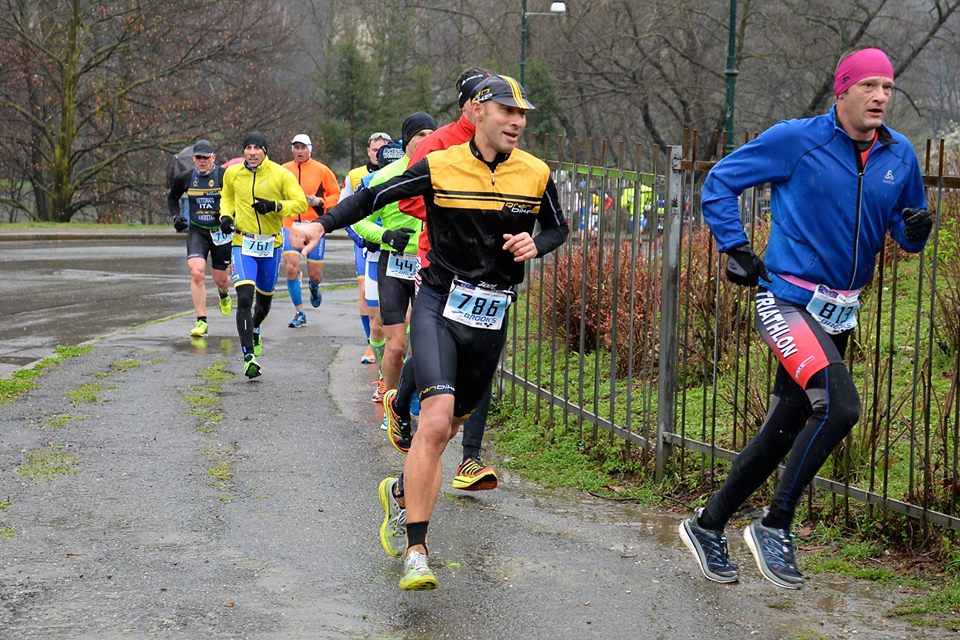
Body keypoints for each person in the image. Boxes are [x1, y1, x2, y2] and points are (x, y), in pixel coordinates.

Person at [292, 74, 569, 591]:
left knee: (441, 434)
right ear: (479, 111)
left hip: (491, 315)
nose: (517, 121)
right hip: (440, 302)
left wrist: (539, 245)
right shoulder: (441, 164)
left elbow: (557, 226)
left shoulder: (535, 173)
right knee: (437, 422)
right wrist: (319, 225)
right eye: (508, 111)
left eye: (523, 114)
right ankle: (417, 549)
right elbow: (374, 196)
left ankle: (401, 490)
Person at [679, 48, 932, 590]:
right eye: (868, 85)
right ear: (841, 91)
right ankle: (775, 525)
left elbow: (906, 238)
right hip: (786, 299)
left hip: (840, 308)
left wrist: (918, 229)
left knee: (783, 428)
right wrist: (737, 248)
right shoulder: (798, 139)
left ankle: (708, 524)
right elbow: (721, 180)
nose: (881, 97)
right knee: (840, 408)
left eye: (888, 87)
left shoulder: (899, 154)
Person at [386, 67, 502, 492]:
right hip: (438, 267)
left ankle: (470, 459)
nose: (493, 111)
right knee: (439, 352)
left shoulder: (504, 147)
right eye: (483, 101)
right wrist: (453, 219)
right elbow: (407, 197)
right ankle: (400, 402)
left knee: (478, 362)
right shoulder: (437, 145)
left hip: (488, 275)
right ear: (468, 105)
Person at [352, 112, 436, 410]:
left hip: (429, 265)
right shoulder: (386, 176)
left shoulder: (443, 172)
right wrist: (386, 235)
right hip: (394, 263)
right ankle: (392, 401)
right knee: (397, 344)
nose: (427, 141)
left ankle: (413, 399)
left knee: (424, 342)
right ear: (406, 141)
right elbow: (358, 221)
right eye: (420, 136)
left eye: (431, 134)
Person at [219, 132, 308, 379]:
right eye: (248, 147)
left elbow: (300, 202)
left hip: (270, 245)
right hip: (242, 243)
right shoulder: (233, 173)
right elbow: (226, 197)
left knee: (264, 302)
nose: (252, 152)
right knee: (245, 297)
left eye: (257, 147)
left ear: (265, 151)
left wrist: (276, 206)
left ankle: (256, 327)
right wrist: (225, 216)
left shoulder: (280, 174)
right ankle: (249, 357)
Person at [166, 139, 232, 337]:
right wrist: (176, 216)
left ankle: (223, 294)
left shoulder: (224, 176)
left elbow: (238, 199)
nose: (202, 161)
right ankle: (201, 321)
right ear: (194, 158)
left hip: (221, 233)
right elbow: (172, 198)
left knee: (220, 279)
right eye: (198, 157)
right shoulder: (185, 178)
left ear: (213, 157)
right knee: (196, 272)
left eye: (206, 157)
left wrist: (230, 218)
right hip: (198, 231)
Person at [341, 132, 393, 364]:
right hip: (366, 245)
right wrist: (361, 239)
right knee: (365, 292)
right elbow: (345, 211)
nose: (378, 154)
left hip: (393, 247)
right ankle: (371, 343)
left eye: (384, 149)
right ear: (368, 151)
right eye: (375, 150)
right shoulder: (356, 176)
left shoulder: (401, 173)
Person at [281, 133, 341, 328]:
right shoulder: (283, 170)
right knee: (291, 268)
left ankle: (314, 287)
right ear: (292, 150)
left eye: (303, 148)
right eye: (296, 147)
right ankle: (300, 312)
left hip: (313, 226)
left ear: (310, 149)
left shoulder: (322, 170)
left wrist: (320, 201)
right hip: (290, 226)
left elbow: (336, 195)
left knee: (315, 274)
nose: (299, 151)